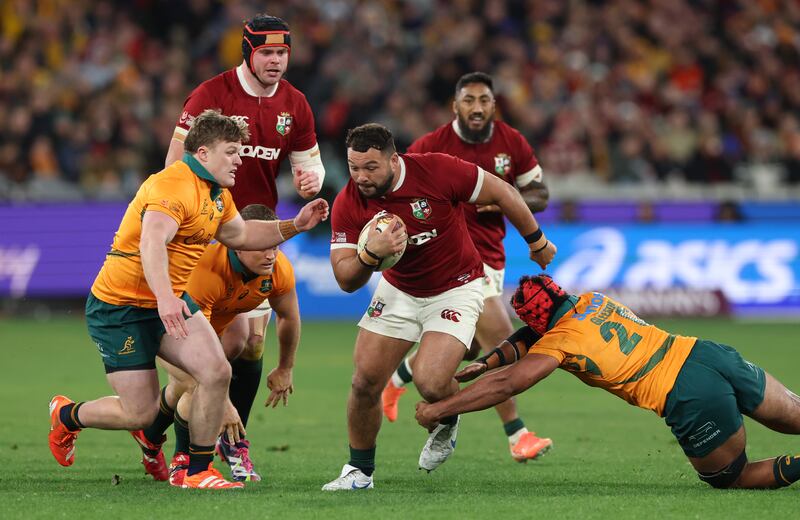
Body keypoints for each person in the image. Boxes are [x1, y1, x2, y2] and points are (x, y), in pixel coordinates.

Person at [48, 110, 328, 490]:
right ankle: (67, 415)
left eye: (240, 151)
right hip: (121, 307)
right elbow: (152, 243)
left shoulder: (217, 195)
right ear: (203, 152)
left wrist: (296, 224)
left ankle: (196, 471)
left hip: (170, 302)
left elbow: (242, 235)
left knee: (217, 371)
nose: (239, 160)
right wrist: (165, 298)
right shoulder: (172, 185)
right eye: (231, 151)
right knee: (140, 413)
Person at [322, 123, 556, 491]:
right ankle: (359, 472)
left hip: (457, 287)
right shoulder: (350, 201)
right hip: (399, 289)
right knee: (364, 381)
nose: (361, 177)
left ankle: (446, 419)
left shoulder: (437, 170)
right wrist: (370, 255)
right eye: (354, 168)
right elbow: (345, 279)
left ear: (393, 160)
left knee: (432, 384)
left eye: (371, 168)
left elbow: (505, 192)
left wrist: (537, 240)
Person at [144, 13, 325, 480]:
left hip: (254, 236)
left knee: (250, 344)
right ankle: (190, 450)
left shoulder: (295, 105)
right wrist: (182, 212)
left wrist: (311, 180)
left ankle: (227, 445)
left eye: (283, 53)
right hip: (208, 236)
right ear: (248, 52)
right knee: (211, 352)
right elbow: (174, 159)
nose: (276, 61)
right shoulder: (212, 94)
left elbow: (312, 165)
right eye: (267, 53)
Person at [415, 274, 800, 490]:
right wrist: (487, 361)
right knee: (792, 416)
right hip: (707, 353)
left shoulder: (560, 342)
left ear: (536, 322)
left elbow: (507, 385)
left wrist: (440, 407)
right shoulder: (592, 300)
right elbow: (531, 336)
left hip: (686, 392)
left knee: (729, 477)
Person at [381, 72, 552, 462]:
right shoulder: (432, 146)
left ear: (494, 105)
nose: (477, 108)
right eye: (469, 100)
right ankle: (518, 435)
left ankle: (398, 379)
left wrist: (503, 199)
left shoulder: (512, 142)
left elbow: (539, 192)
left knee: (470, 346)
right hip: (454, 260)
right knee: (503, 342)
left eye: (484, 101)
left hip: (493, 258)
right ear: (455, 105)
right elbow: (403, 189)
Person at [156, 203, 300, 486]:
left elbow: (289, 317)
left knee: (245, 342)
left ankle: (232, 444)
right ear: (239, 245)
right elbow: (195, 356)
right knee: (196, 387)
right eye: (263, 246)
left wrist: (285, 367)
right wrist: (223, 402)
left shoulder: (278, 268)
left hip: (208, 331)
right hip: (166, 334)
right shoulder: (205, 271)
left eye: (276, 245)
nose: (271, 254)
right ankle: (181, 459)